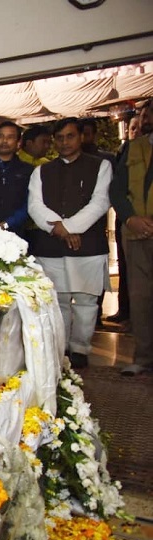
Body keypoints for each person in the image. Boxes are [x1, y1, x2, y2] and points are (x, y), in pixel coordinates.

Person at [28, 117, 112, 370]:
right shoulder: (41, 170)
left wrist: (70, 227)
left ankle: (81, 349)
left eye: (70, 136)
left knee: (86, 301)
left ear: (81, 137)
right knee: (59, 300)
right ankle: (61, 347)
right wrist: (60, 230)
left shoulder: (101, 166)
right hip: (52, 245)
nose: (64, 142)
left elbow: (100, 202)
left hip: (88, 245)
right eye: (60, 137)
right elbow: (35, 205)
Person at [109, 98, 153, 376]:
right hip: (137, 232)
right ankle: (144, 357)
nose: (145, 118)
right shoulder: (133, 148)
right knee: (140, 297)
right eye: (144, 114)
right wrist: (130, 218)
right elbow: (117, 190)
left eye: (149, 113)